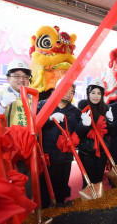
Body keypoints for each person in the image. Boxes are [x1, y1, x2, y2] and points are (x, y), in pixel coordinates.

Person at [0, 58, 33, 198]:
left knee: (27, 187)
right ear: (8, 78)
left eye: (25, 76)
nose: (21, 79)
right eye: (16, 76)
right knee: (7, 190)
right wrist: (2, 106)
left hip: (27, 151)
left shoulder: (30, 97)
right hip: (6, 152)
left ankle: (27, 217)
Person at [38, 79, 81, 208]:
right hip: (45, 155)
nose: (68, 94)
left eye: (71, 92)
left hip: (65, 157)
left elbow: (77, 135)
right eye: (65, 91)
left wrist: (84, 125)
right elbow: (33, 127)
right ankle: (44, 213)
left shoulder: (75, 111)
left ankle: (59, 214)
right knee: (44, 188)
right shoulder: (43, 105)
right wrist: (50, 119)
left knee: (61, 188)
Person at [76, 78, 114, 188]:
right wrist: (83, 124)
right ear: (88, 93)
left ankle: (98, 203)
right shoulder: (82, 106)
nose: (95, 96)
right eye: (93, 93)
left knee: (98, 179)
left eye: (99, 93)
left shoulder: (106, 108)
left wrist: (111, 122)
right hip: (86, 151)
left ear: (102, 95)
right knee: (87, 181)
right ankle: (87, 204)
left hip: (101, 152)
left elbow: (109, 132)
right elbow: (78, 132)